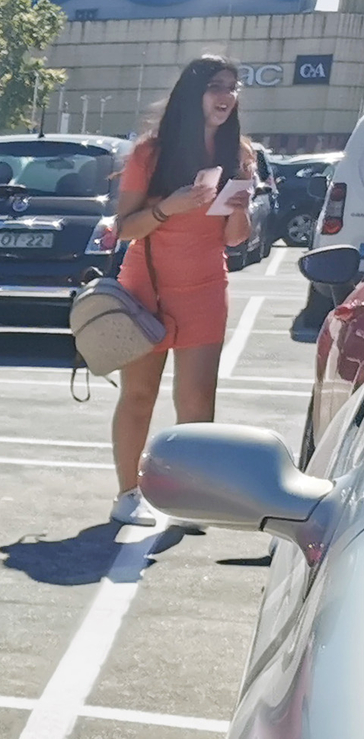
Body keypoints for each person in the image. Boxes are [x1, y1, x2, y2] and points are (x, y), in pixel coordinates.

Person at [107, 57, 254, 525]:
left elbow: (234, 238)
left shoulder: (239, 153)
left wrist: (239, 207)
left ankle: (190, 497)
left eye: (232, 87)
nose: (226, 96)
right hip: (145, 288)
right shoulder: (150, 154)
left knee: (196, 402)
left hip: (206, 288)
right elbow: (124, 229)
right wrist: (168, 207)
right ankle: (128, 494)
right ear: (193, 94)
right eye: (216, 86)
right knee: (138, 396)